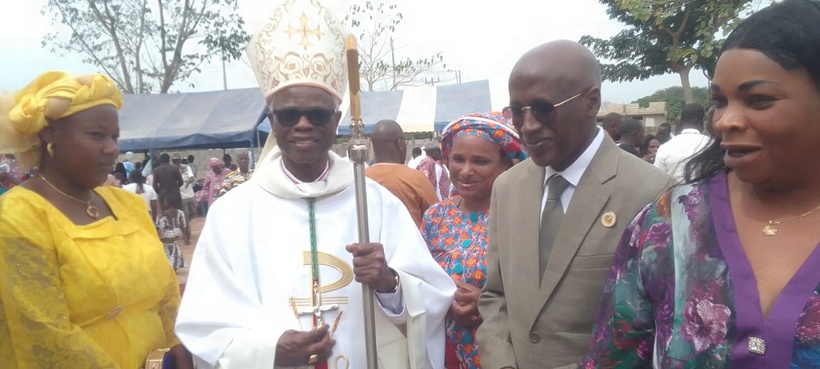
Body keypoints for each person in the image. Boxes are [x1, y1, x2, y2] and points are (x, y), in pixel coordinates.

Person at [174, 1, 455, 368]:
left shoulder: (375, 202)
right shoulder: (232, 213)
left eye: (317, 114)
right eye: (289, 114)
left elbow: (433, 297)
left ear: (336, 120)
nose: (303, 124)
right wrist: (269, 351)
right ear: (272, 121)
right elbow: (204, 322)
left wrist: (390, 283)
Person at [581, 1, 820, 367]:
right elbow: (614, 357)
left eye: (758, 100)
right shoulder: (668, 225)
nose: (725, 121)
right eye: (720, 101)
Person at [477, 40, 671, 369]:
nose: (528, 126)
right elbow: (495, 295)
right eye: (517, 111)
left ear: (591, 102)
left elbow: (655, 326)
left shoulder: (651, 192)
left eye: (543, 109)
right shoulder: (507, 188)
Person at [0, 72, 192, 368]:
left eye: (115, 136)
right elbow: (46, 333)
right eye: (97, 135)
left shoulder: (127, 204)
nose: (112, 148)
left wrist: (176, 340)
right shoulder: (19, 215)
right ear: (50, 135)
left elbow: (166, 289)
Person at [422, 112, 527, 369]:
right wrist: (443, 302)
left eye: (480, 161)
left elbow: (541, 294)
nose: (466, 171)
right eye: (458, 159)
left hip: (502, 355)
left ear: (506, 164)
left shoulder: (522, 216)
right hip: (438, 352)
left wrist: (487, 304)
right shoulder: (436, 216)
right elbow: (417, 277)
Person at [366, 120, 438, 228]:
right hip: (411, 239)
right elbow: (437, 219)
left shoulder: (358, 181)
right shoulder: (417, 179)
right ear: (399, 143)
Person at [654, 103, 712, 184]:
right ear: (702, 123)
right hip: (707, 191)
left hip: (674, 191)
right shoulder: (711, 144)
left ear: (681, 122)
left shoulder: (664, 148)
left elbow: (658, 179)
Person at [156, 198, 186, 271]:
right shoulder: (180, 212)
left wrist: (160, 234)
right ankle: (175, 264)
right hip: (176, 232)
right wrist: (185, 235)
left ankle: (171, 265)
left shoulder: (164, 214)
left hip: (167, 234)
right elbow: (183, 225)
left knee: (168, 249)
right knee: (174, 246)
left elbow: (160, 226)